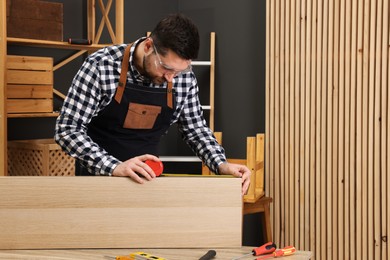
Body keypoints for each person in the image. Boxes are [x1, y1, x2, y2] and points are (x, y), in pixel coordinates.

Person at [55, 13, 251, 195]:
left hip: (147, 183)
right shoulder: (101, 66)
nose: (170, 77)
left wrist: (221, 164)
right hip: (96, 181)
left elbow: (195, 129)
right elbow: (67, 130)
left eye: (178, 71)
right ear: (148, 46)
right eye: (165, 68)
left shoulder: (183, 78)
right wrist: (114, 166)